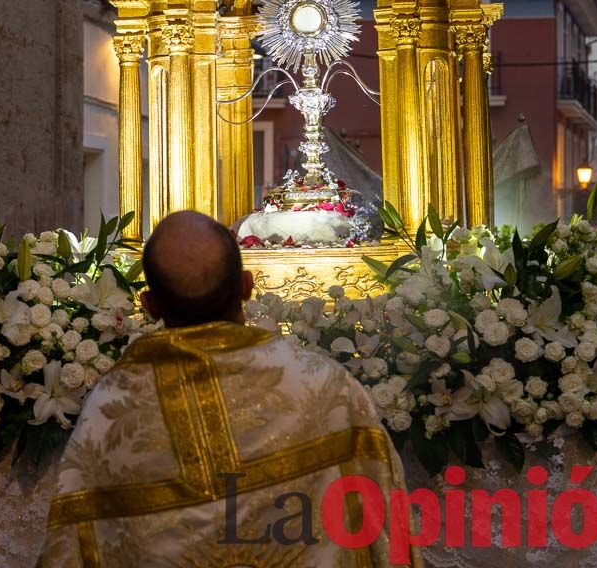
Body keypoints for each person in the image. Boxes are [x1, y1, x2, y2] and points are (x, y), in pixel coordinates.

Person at [39, 211, 413, 567]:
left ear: (150, 306)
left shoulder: (109, 410)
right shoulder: (324, 385)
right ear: (248, 286)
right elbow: (385, 521)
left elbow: (70, 548)